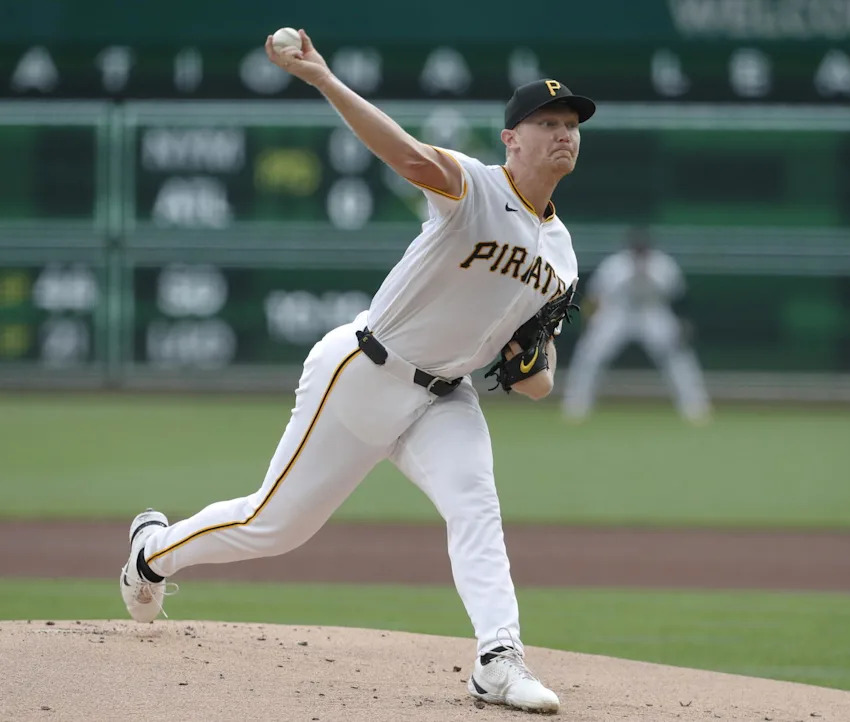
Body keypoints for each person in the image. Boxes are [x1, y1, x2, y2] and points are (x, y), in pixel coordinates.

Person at [119, 28, 595, 715]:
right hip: (363, 372)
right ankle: (152, 552)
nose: (562, 133)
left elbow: (535, 373)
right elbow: (404, 153)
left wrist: (534, 366)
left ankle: (498, 659)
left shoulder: (564, 257)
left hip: (445, 397)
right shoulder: (474, 187)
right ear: (510, 140)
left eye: (571, 123)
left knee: (476, 508)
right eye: (545, 122)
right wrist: (323, 79)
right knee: (274, 527)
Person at [562, 229, 712, 424]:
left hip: (652, 311)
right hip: (617, 312)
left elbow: (680, 298)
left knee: (677, 354)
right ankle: (575, 406)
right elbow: (595, 297)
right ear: (630, 250)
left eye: (643, 251)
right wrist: (590, 322)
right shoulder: (616, 265)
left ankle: (695, 407)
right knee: (590, 353)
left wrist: (682, 322)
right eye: (637, 251)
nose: (640, 255)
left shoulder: (663, 265)